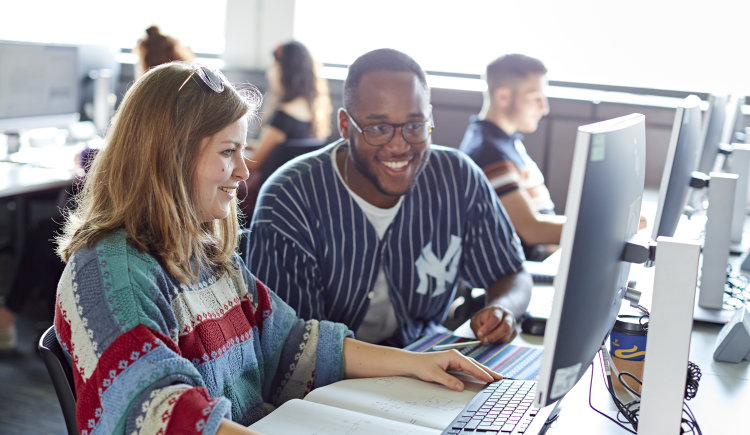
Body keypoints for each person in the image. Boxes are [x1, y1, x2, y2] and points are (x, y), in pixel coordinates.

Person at [53, 61, 503, 434]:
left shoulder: (204, 255)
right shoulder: (110, 272)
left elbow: (291, 344)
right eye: (228, 152)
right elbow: (159, 415)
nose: (242, 173)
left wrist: (417, 364)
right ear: (171, 155)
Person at [247, 48, 532, 348]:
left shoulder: (457, 177)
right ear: (345, 126)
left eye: (414, 126)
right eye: (379, 128)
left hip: (426, 363)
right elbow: (290, 348)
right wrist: (410, 367)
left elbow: (512, 273)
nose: (399, 145)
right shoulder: (291, 197)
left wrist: (504, 310)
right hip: (327, 386)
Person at [458, 54, 564, 261]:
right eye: (535, 98)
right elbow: (532, 229)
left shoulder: (506, 141)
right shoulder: (490, 153)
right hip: (523, 267)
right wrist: (607, 229)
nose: (544, 108)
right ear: (503, 96)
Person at [239, 40, 332, 221]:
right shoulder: (310, 112)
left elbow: (252, 163)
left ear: (285, 71)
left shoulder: (284, 116)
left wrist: (219, 152)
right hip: (293, 195)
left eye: (273, 66)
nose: (269, 74)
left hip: (262, 191)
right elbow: (274, 149)